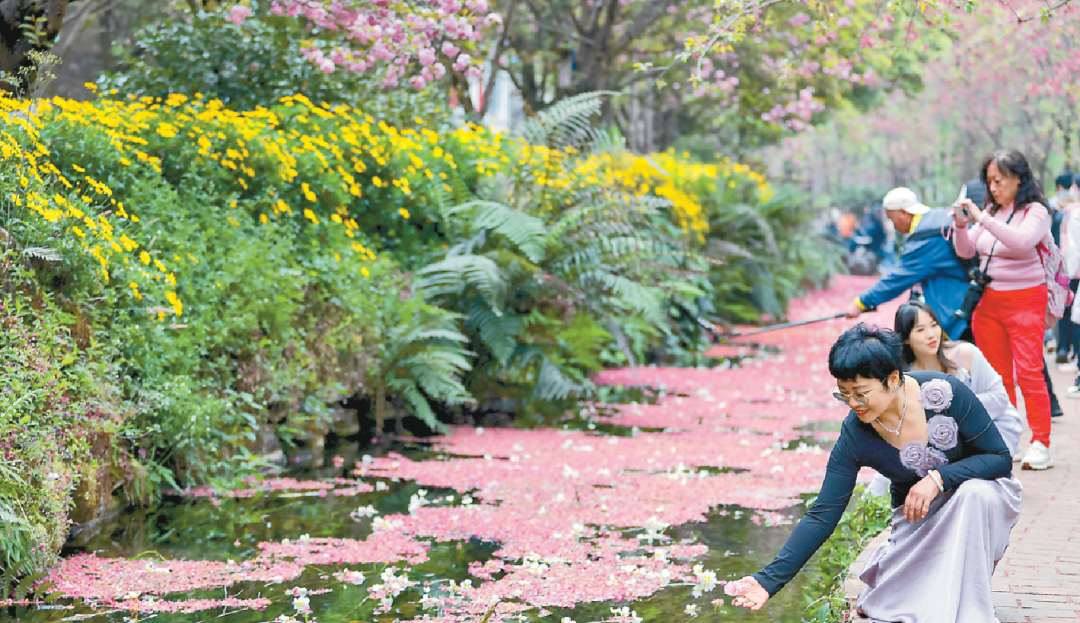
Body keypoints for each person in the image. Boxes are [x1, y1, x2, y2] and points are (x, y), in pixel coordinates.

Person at [731, 324, 1021, 621]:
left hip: (983, 500)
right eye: (844, 394)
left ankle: (968, 606)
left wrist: (938, 478)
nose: (853, 404)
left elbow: (1000, 458)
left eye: (861, 393)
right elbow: (824, 511)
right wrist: (769, 580)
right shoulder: (855, 434)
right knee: (890, 604)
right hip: (917, 518)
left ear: (892, 379)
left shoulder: (944, 391)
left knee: (974, 494)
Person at [953, 149, 1054, 470]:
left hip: (1026, 299)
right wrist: (959, 225)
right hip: (989, 302)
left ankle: (1041, 442)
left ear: (1019, 179)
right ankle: (1007, 439)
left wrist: (981, 218)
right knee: (997, 376)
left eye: (999, 180)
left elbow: (1022, 242)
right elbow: (968, 249)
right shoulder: (991, 212)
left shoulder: (1036, 211)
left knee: (1029, 371)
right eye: (989, 181)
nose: (993, 188)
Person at [894, 301, 1022, 453]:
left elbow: (999, 398)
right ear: (906, 338)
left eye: (934, 325)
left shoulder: (964, 354)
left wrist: (953, 407)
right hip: (946, 440)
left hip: (994, 426)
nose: (931, 335)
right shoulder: (906, 375)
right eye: (920, 329)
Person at [845, 187, 970, 342]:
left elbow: (896, 279)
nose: (893, 225)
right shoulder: (939, 217)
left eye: (892, 219)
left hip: (959, 311)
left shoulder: (924, 238)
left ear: (903, 213)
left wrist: (861, 302)